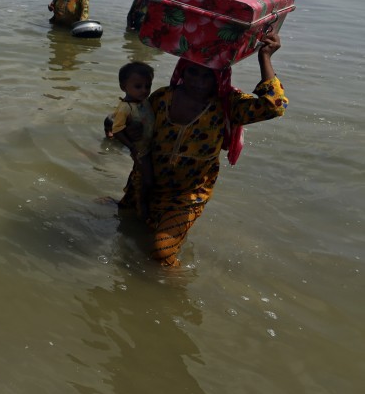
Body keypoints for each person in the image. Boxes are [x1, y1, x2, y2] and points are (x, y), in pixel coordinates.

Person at [116, 32, 288, 267]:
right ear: (182, 72)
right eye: (192, 72)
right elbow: (129, 121)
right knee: (123, 223)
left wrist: (265, 57)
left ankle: (175, 291)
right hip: (147, 183)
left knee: (161, 253)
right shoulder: (162, 97)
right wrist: (130, 132)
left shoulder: (227, 105)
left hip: (186, 195)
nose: (197, 81)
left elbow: (273, 106)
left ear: (218, 78)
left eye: (206, 76)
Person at [104, 62, 155, 216]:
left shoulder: (143, 102)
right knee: (148, 180)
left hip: (149, 145)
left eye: (148, 86)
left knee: (142, 176)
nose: (144, 90)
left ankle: (134, 198)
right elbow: (117, 130)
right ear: (123, 86)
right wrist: (131, 146)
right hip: (140, 149)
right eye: (138, 86)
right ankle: (143, 205)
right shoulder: (125, 107)